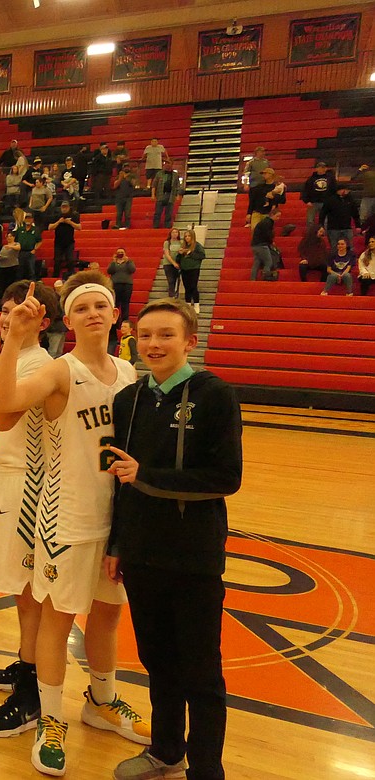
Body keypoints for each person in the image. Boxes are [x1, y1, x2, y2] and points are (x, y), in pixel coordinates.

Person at [0, 272, 149, 777]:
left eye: (102, 305)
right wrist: (14, 338)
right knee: (57, 619)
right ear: (70, 319)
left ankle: (102, 701)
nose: (94, 313)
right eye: (82, 308)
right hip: (68, 516)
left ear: (117, 314)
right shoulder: (61, 371)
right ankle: (51, 718)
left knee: (106, 615)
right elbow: (4, 407)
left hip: (117, 518)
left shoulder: (129, 372)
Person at [106, 299, 243, 780]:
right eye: (145, 335)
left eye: (165, 335)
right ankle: (166, 750)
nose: (153, 344)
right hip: (142, 554)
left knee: (201, 671)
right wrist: (117, 545)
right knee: (157, 660)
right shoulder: (128, 400)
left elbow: (226, 477)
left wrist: (147, 476)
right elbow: (117, 481)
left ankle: (206, 769)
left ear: (189, 341)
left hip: (194, 557)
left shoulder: (215, 395)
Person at [0, 281, 59, 739]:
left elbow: (3, 413)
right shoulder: (14, 358)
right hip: (6, 478)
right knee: (20, 590)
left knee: (29, 592)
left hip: (28, 482)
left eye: (20, 310)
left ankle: (31, 691)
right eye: (4, 309)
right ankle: (27, 662)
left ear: (42, 320)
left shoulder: (41, 363)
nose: (7, 316)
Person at [319, 182, 359, 249]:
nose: (347, 192)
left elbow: (355, 213)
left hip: (347, 227)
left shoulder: (350, 199)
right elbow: (323, 213)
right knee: (334, 248)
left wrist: (358, 225)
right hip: (333, 228)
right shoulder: (330, 200)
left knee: (350, 247)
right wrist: (321, 225)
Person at [49, 204, 81, 280]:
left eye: (66, 207)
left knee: (70, 259)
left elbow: (79, 227)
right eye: (63, 207)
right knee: (57, 260)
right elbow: (50, 228)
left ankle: (71, 276)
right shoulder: (56, 216)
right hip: (58, 243)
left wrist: (70, 222)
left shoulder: (73, 216)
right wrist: (58, 222)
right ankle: (55, 277)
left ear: (69, 208)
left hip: (69, 242)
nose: (64, 209)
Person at [302, 161, 336, 232]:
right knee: (310, 220)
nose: (321, 169)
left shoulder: (330, 178)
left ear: (326, 168)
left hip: (326, 202)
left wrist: (332, 200)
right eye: (320, 167)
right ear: (316, 169)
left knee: (326, 221)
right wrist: (306, 200)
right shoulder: (311, 179)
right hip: (313, 202)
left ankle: (326, 234)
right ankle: (310, 235)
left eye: (323, 167)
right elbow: (305, 189)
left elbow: (334, 189)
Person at [177, 230, 206, 313]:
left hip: (194, 268)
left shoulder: (197, 245)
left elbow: (202, 256)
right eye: (185, 236)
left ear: (192, 237)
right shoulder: (184, 246)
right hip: (184, 269)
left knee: (193, 286)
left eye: (189, 236)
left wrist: (190, 253)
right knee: (187, 287)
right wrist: (179, 254)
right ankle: (188, 305)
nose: (187, 238)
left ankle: (196, 304)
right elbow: (178, 259)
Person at [107, 249, 136, 326]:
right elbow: (109, 271)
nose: (120, 254)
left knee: (125, 304)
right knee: (115, 303)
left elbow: (132, 270)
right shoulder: (113, 263)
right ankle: (116, 322)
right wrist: (113, 261)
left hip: (127, 285)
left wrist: (128, 261)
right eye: (118, 253)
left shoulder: (129, 262)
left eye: (122, 253)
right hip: (115, 284)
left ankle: (125, 322)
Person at [250, 208, 278, 282]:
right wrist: (271, 242)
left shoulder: (264, 222)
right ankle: (265, 277)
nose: (278, 219)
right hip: (262, 244)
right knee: (268, 261)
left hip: (255, 244)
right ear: (272, 215)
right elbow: (267, 234)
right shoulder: (268, 222)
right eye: (277, 216)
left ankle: (252, 279)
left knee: (257, 262)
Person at [151, 164, 177, 229]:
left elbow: (177, 185)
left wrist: (178, 194)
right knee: (157, 212)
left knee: (169, 212)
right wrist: (153, 194)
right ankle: (155, 226)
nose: (167, 166)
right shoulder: (159, 174)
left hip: (170, 195)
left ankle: (167, 226)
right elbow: (154, 185)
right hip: (160, 195)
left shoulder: (175, 175)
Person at [161, 228, 183, 298]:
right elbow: (167, 254)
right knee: (171, 280)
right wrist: (173, 263)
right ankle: (171, 295)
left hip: (178, 263)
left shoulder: (180, 242)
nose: (174, 234)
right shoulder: (167, 242)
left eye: (176, 232)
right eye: (173, 232)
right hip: (168, 264)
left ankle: (176, 295)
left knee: (177, 280)